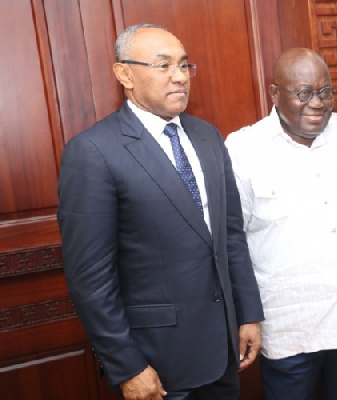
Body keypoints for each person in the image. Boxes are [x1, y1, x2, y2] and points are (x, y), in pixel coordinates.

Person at [57, 24, 264, 400]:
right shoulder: (93, 151)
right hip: (157, 363)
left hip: (223, 350)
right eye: (163, 65)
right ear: (124, 74)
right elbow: (91, 280)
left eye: (185, 66)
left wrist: (247, 312)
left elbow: (230, 234)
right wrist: (127, 366)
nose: (179, 77)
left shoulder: (208, 136)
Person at [224, 48, 337, 400]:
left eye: (325, 92)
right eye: (303, 93)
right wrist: (246, 314)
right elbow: (232, 240)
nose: (317, 103)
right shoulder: (244, 148)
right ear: (275, 94)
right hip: (290, 326)